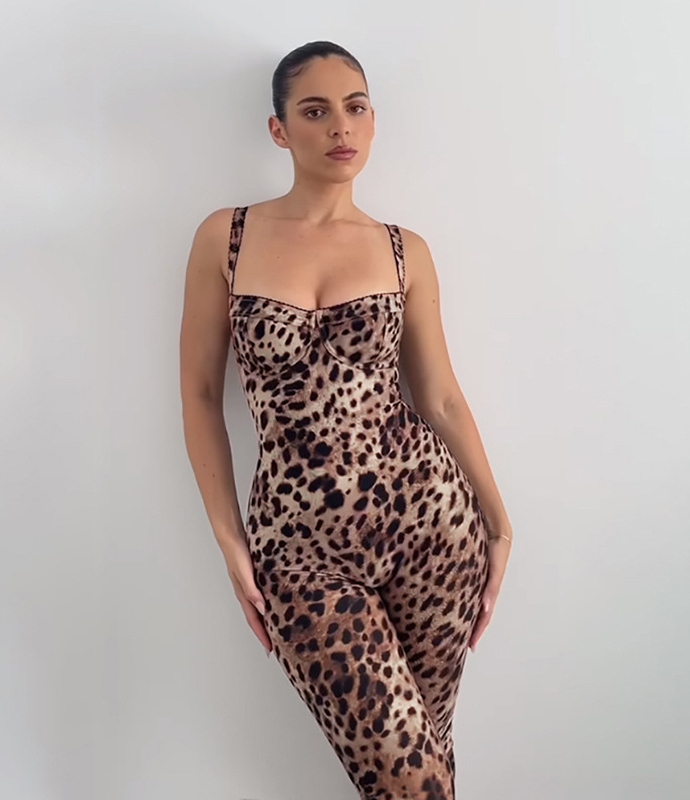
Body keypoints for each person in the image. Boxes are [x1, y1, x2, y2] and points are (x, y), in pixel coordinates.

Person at [179, 40, 513, 800]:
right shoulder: (225, 237)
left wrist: (499, 525)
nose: (340, 126)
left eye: (355, 107)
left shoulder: (404, 251)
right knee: (409, 779)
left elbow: (440, 397)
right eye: (315, 110)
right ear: (279, 130)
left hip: (432, 526)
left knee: (427, 767)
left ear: (373, 119)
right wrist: (231, 542)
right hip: (299, 548)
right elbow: (199, 395)